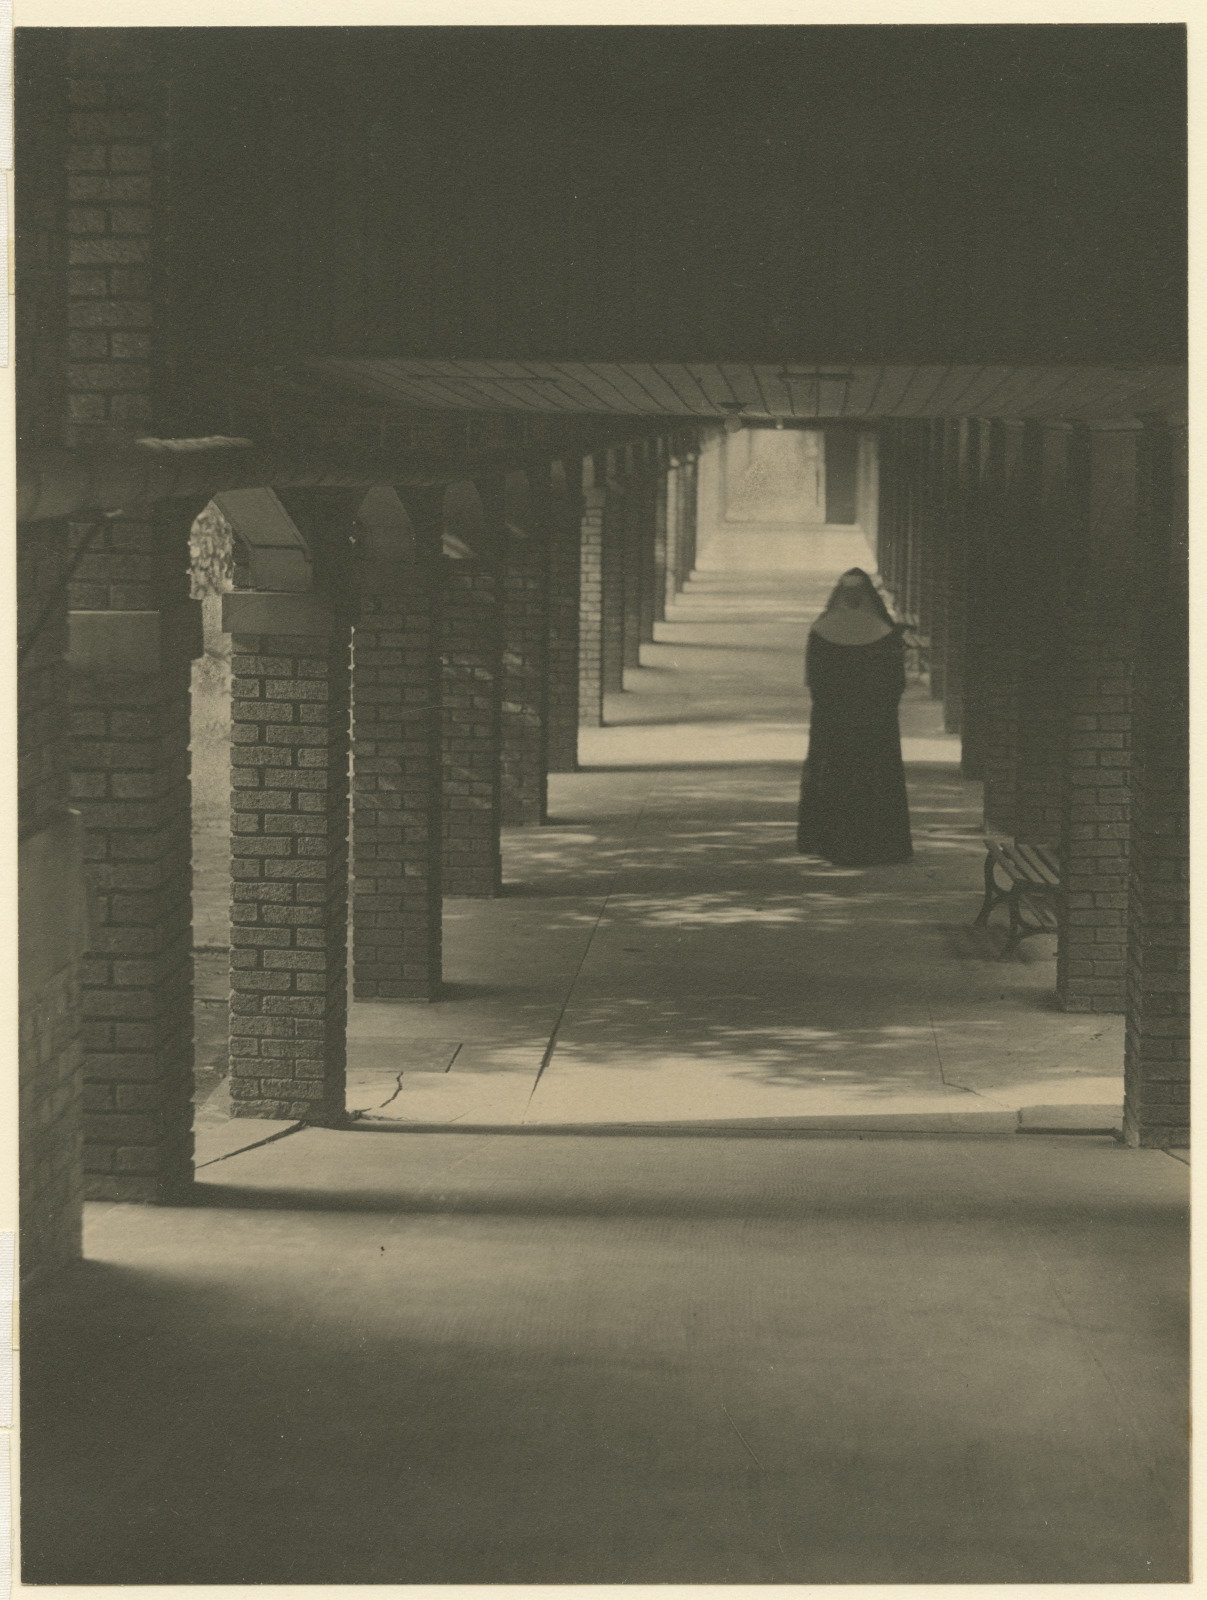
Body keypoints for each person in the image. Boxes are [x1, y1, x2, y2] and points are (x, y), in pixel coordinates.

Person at [796, 567, 913, 867]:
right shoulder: (884, 634)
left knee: (834, 777)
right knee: (874, 779)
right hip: (875, 724)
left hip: (833, 721)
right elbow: (895, 683)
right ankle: (880, 843)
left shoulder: (822, 632)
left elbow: (815, 682)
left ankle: (828, 840)